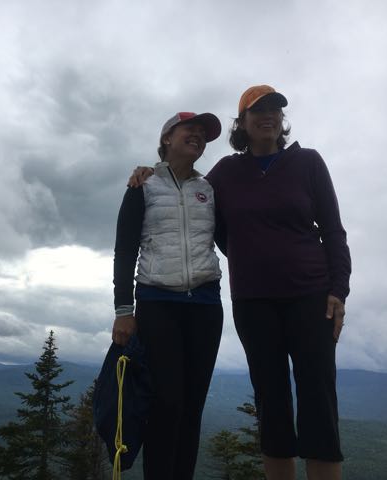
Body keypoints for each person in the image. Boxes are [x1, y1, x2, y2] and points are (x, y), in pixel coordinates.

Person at [129, 85, 351, 480]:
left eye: (275, 110)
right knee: (270, 399)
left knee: (318, 397)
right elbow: (191, 196)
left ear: (282, 120)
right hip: (253, 301)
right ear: (242, 123)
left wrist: (338, 290)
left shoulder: (308, 162)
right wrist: (150, 172)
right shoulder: (227, 172)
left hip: (311, 296)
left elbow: (333, 230)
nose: (269, 116)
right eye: (258, 111)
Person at [112, 111, 224, 479]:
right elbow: (125, 249)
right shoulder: (142, 186)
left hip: (206, 306)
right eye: (189, 129)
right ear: (166, 139)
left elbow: (235, 237)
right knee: (167, 403)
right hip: (157, 304)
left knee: (192, 408)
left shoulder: (209, 190)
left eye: (203, 133)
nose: (198, 135)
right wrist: (123, 309)